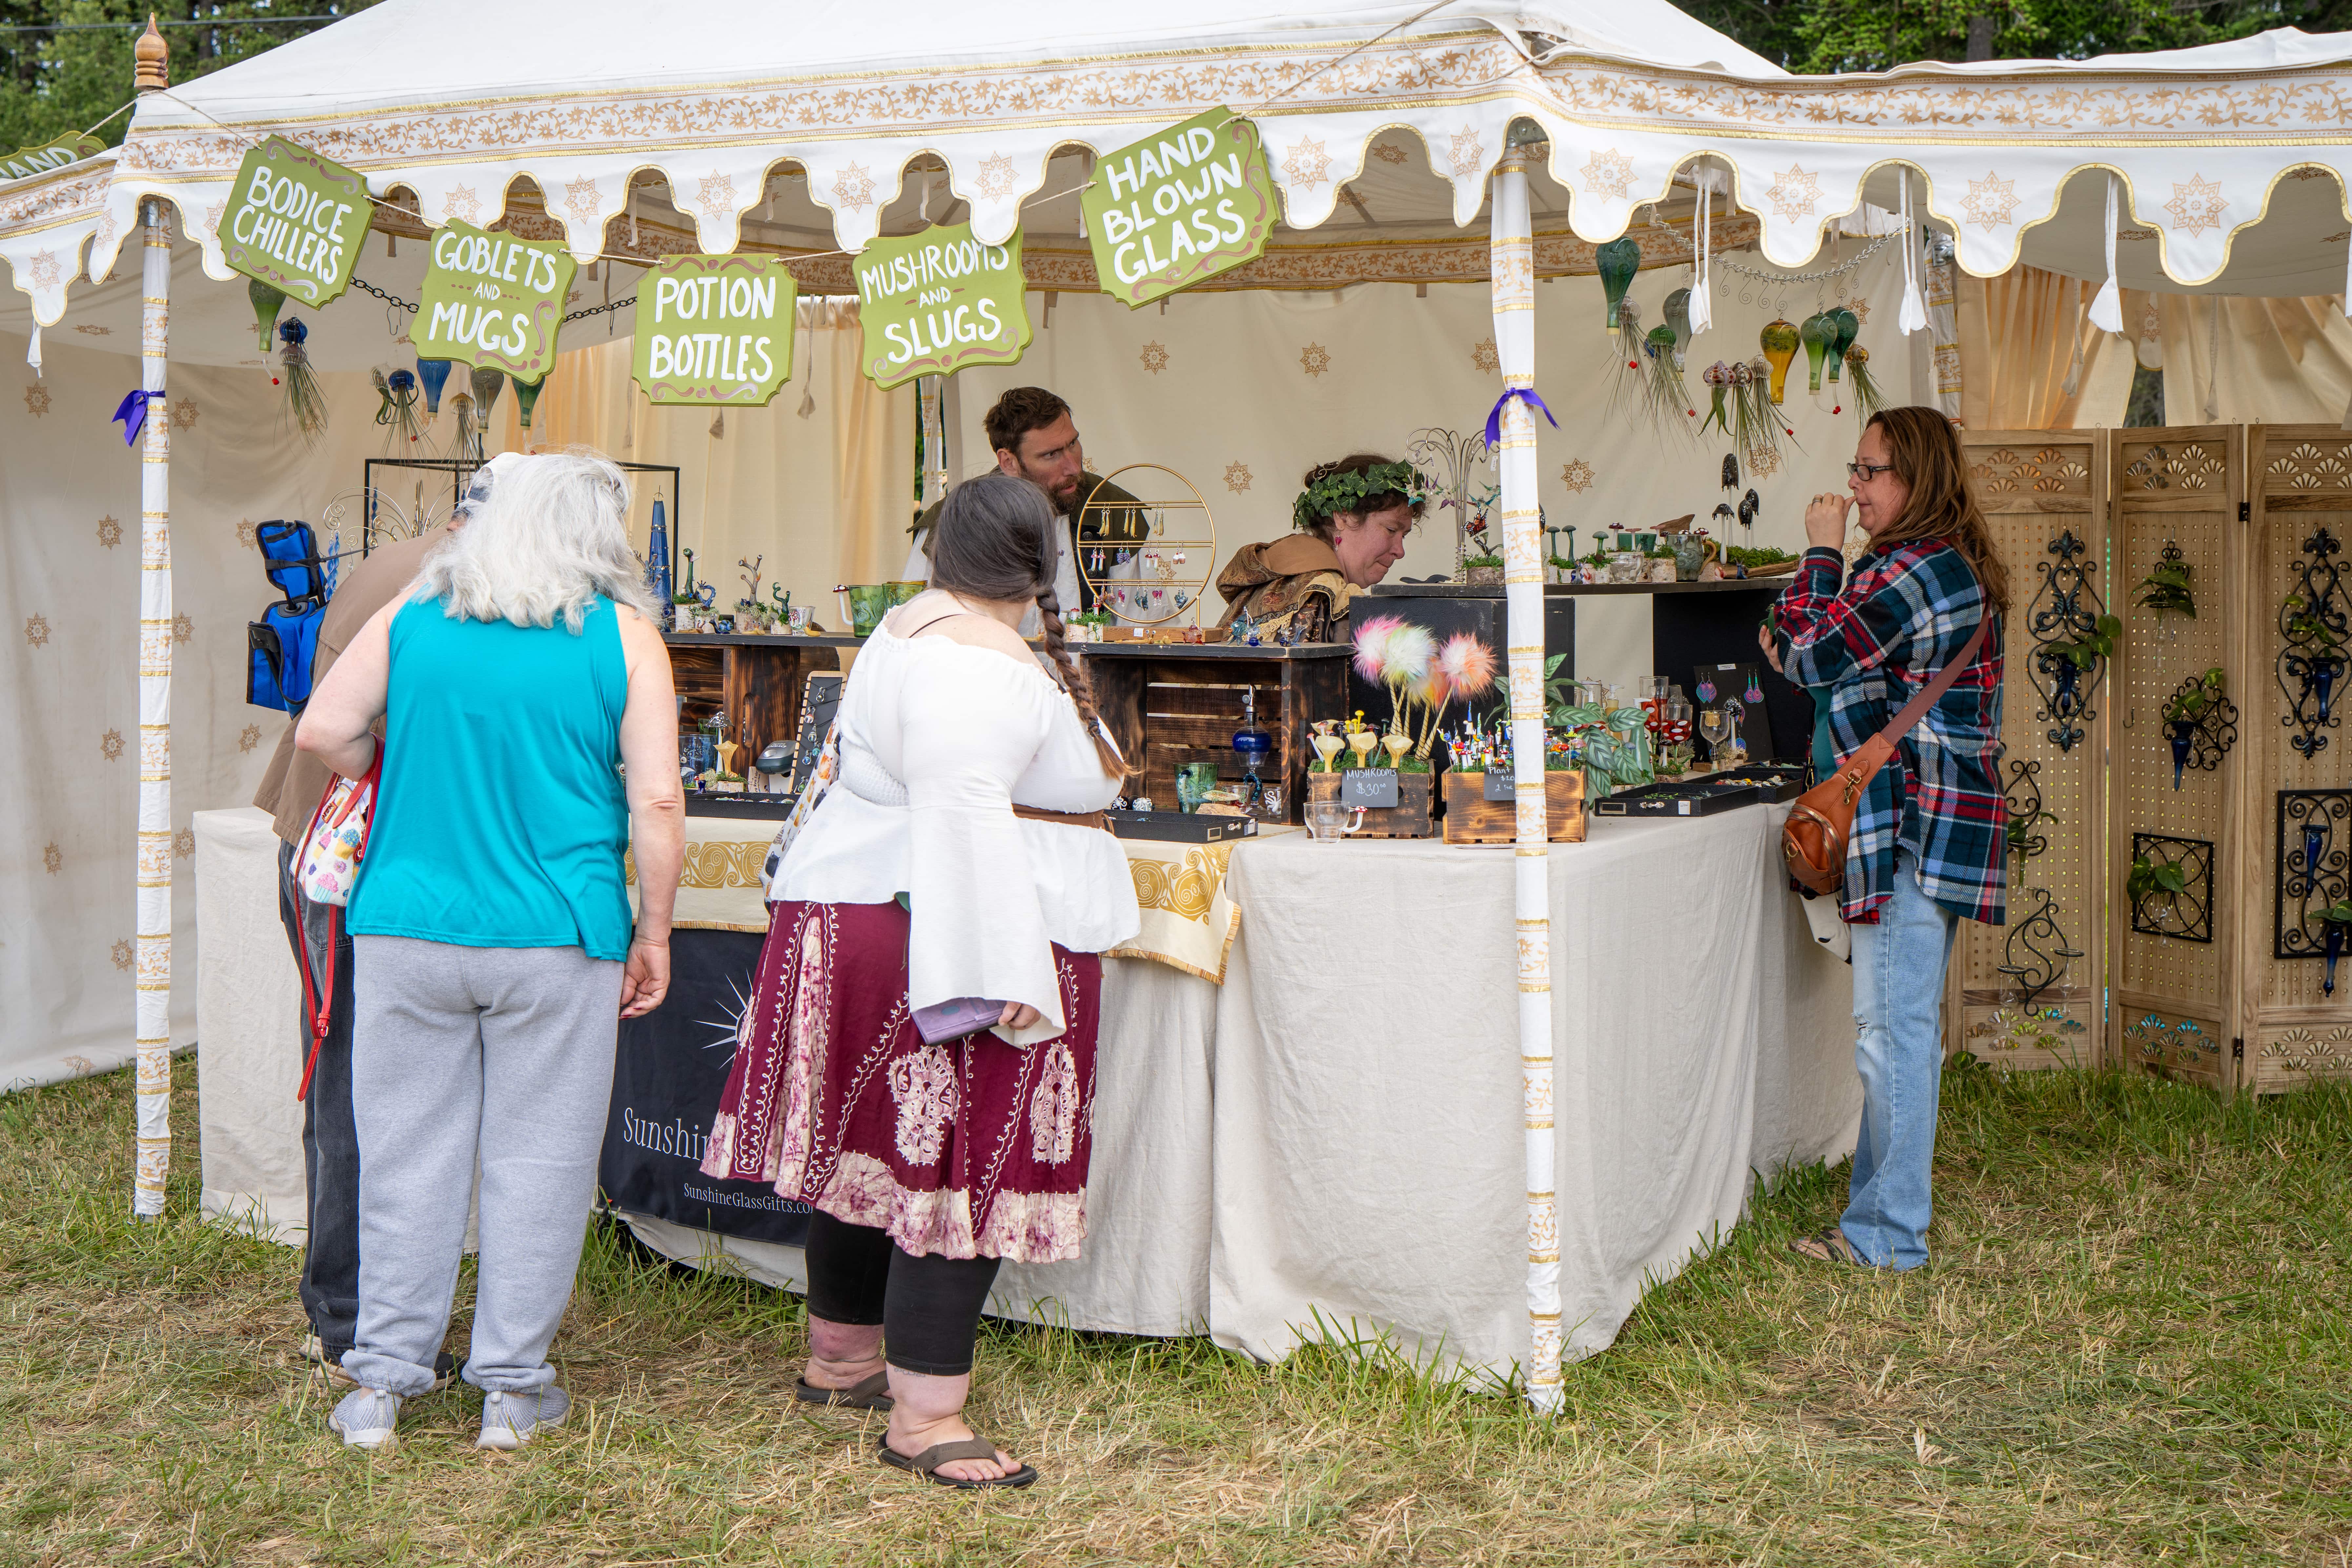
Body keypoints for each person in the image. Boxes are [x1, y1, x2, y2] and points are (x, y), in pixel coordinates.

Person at [702, 470, 1138, 1489]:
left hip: (878, 911)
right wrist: (1001, 967)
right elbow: (961, 811)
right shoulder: (975, 659)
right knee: (950, 1164)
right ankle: (926, 1416)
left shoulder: (917, 626)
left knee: (878, 1157)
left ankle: (843, 1359)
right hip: (938, 930)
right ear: (1040, 561)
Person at [295, 450, 684, 1450]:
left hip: (406, 922)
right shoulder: (626, 637)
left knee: (403, 1154)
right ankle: (510, 1390)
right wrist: (653, 930)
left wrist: (384, 766)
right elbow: (656, 800)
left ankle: (380, 1381)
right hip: (559, 931)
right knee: (539, 1161)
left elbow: (324, 728)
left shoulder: (416, 615)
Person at [1763, 406, 2007, 1273]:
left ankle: (1889, 1236)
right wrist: (1806, 619)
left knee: (1891, 1032)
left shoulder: (1913, 569)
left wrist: (1819, 555)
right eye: (1855, 469)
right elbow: (1802, 646)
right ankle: (1874, 1219)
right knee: (1893, 1028)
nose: (1853, 487)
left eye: (1869, 472)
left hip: (1910, 822)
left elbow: (1803, 657)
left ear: (1916, 478)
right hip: (1922, 819)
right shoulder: (1935, 563)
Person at [251, 516, 452, 1392]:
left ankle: (352, 1302)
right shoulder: (442, 582)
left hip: (331, 842)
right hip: (349, 851)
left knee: (352, 1077)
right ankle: (348, 1317)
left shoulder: (409, 559)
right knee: (352, 1083)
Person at [903, 386, 1145, 615]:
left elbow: (1142, 628)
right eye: (1051, 455)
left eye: (1073, 443)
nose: (1073, 467)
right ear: (1009, 462)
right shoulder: (953, 520)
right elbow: (916, 623)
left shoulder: (1116, 511)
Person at [1214, 453, 1425, 642]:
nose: (1400, 551)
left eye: (1404, 536)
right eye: (1391, 530)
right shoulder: (1327, 596)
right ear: (1343, 516)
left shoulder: (1280, 581)